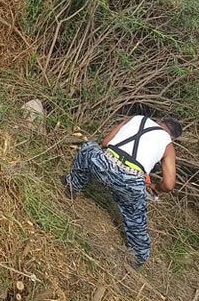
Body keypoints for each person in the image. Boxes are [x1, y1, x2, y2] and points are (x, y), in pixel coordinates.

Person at [63, 114, 182, 268]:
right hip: (130, 182)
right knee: (136, 219)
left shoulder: (137, 118)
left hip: (103, 164)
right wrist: (154, 187)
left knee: (88, 148)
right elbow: (169, 184)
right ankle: (138, 258)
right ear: (172, 138)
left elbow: (106, 143)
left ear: (160, 121)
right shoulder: (168, 145)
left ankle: (71, 187)